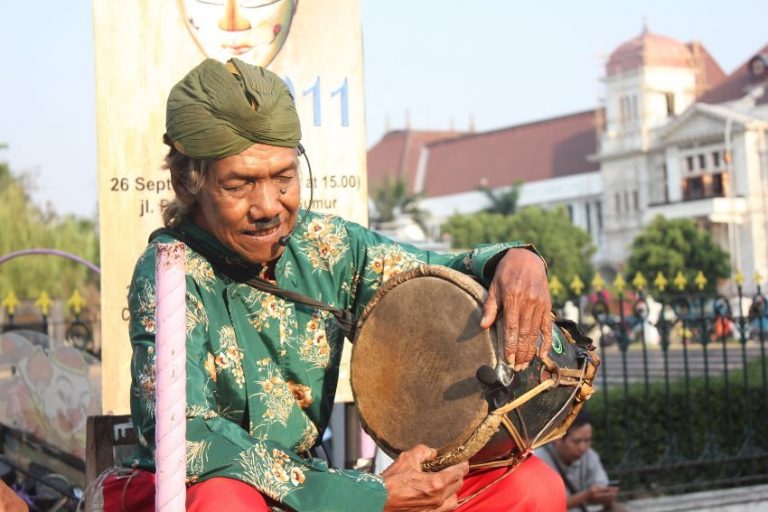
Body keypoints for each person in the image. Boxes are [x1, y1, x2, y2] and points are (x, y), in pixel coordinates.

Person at [96, 57, 565, 511]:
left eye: (283, 178)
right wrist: (364, 497)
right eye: (238, 185)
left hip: (322, 495)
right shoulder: (169, 271)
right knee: (224, 501)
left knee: (531, 489)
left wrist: (513, 260)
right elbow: (186, 436)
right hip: (198, 493)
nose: (267, 206)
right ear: (186, 182)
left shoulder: (328, 245)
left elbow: (434, 280)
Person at [534, 410, 624, 512]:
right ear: (557, 439)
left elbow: (601, 485)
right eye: (577, 441)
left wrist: (607, 495)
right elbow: (547, 506)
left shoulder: (589, 455)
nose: (583, 447)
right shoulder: (538, 460)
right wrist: (586, 495)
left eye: (587, 440)